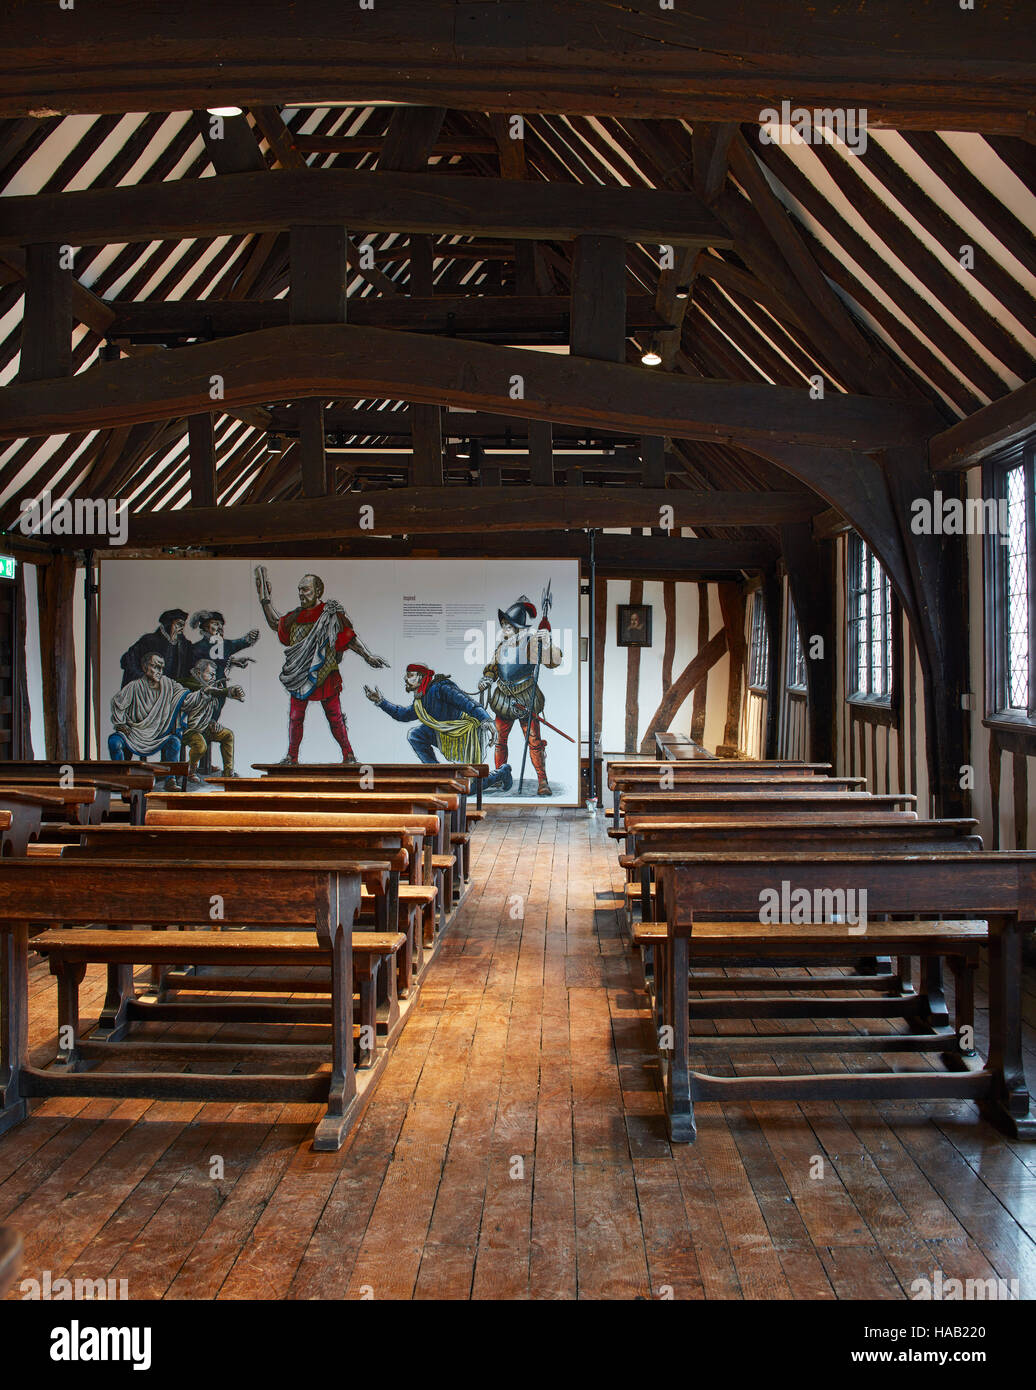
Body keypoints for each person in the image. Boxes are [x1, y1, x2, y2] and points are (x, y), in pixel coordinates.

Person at [255, 567, 388, 764]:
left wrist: (368, 656)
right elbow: (276, 622)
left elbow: (349, 638)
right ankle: (292, 757)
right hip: (299, 674)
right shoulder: (295, 616)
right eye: (299, 589)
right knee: (295, 717)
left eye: (306, 589)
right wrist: (264, 599)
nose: (301, 593)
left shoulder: (330, 614)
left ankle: (348, 754)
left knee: (335, 717)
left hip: (325, 673)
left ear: (318, 591)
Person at [479, 594, 563, 796]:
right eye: (504, 625)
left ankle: (543, 781)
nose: (504, 629)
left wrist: (548, 644)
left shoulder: (532, 644)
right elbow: (493, 667)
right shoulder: (501, 647)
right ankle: (500, 776)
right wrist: (488, 678)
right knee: (499, 741)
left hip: (525, 696)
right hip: (503, 697)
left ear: (518, 627)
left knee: (534, 742)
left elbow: (553, 662)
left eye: (508, 625)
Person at [108, 652, 213, 784]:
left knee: (174, 742)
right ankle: (121, 781)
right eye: (155, 667)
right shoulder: (134, 686)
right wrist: (120, 723)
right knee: (114, 742)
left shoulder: (169, 685)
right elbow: (117, 703)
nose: (159, 671)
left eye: (161, 668)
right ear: (145, 667)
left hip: (160, 734)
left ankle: (171, 780)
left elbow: (186, 700)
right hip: (135, 733)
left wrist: (202, 693)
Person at [365, 663, 496, 765]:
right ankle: (436, 771)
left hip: (463, 733)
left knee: (470, 785)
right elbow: (403, 715)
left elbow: (467, 703)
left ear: (421, 677)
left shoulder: (441, 688)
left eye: (410, 675)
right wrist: (381, 702)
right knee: (415, 735)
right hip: (443, 732)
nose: (405, 678)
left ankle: (502, 773)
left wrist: (486, 719)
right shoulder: (420, 699)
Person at [180, 656, 244, 783]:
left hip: (204, 728)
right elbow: (205, 693)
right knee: (200, 746)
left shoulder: (210, 688)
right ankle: (190, 771)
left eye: (215, 675)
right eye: (211, 674)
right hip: (188, 730)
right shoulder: (186, 686)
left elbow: (211, 706)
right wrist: (229, 692)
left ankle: (228, 774)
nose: (214, 678)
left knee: (227, 735)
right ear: (199, 673)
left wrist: (213, 722)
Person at [119, 608, 192, 686]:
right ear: (169, 624)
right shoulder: (149, 641)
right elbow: (127, 661)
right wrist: (146, 680)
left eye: (183, 625)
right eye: (179, 624)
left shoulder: (184, 645)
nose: (182, 628)